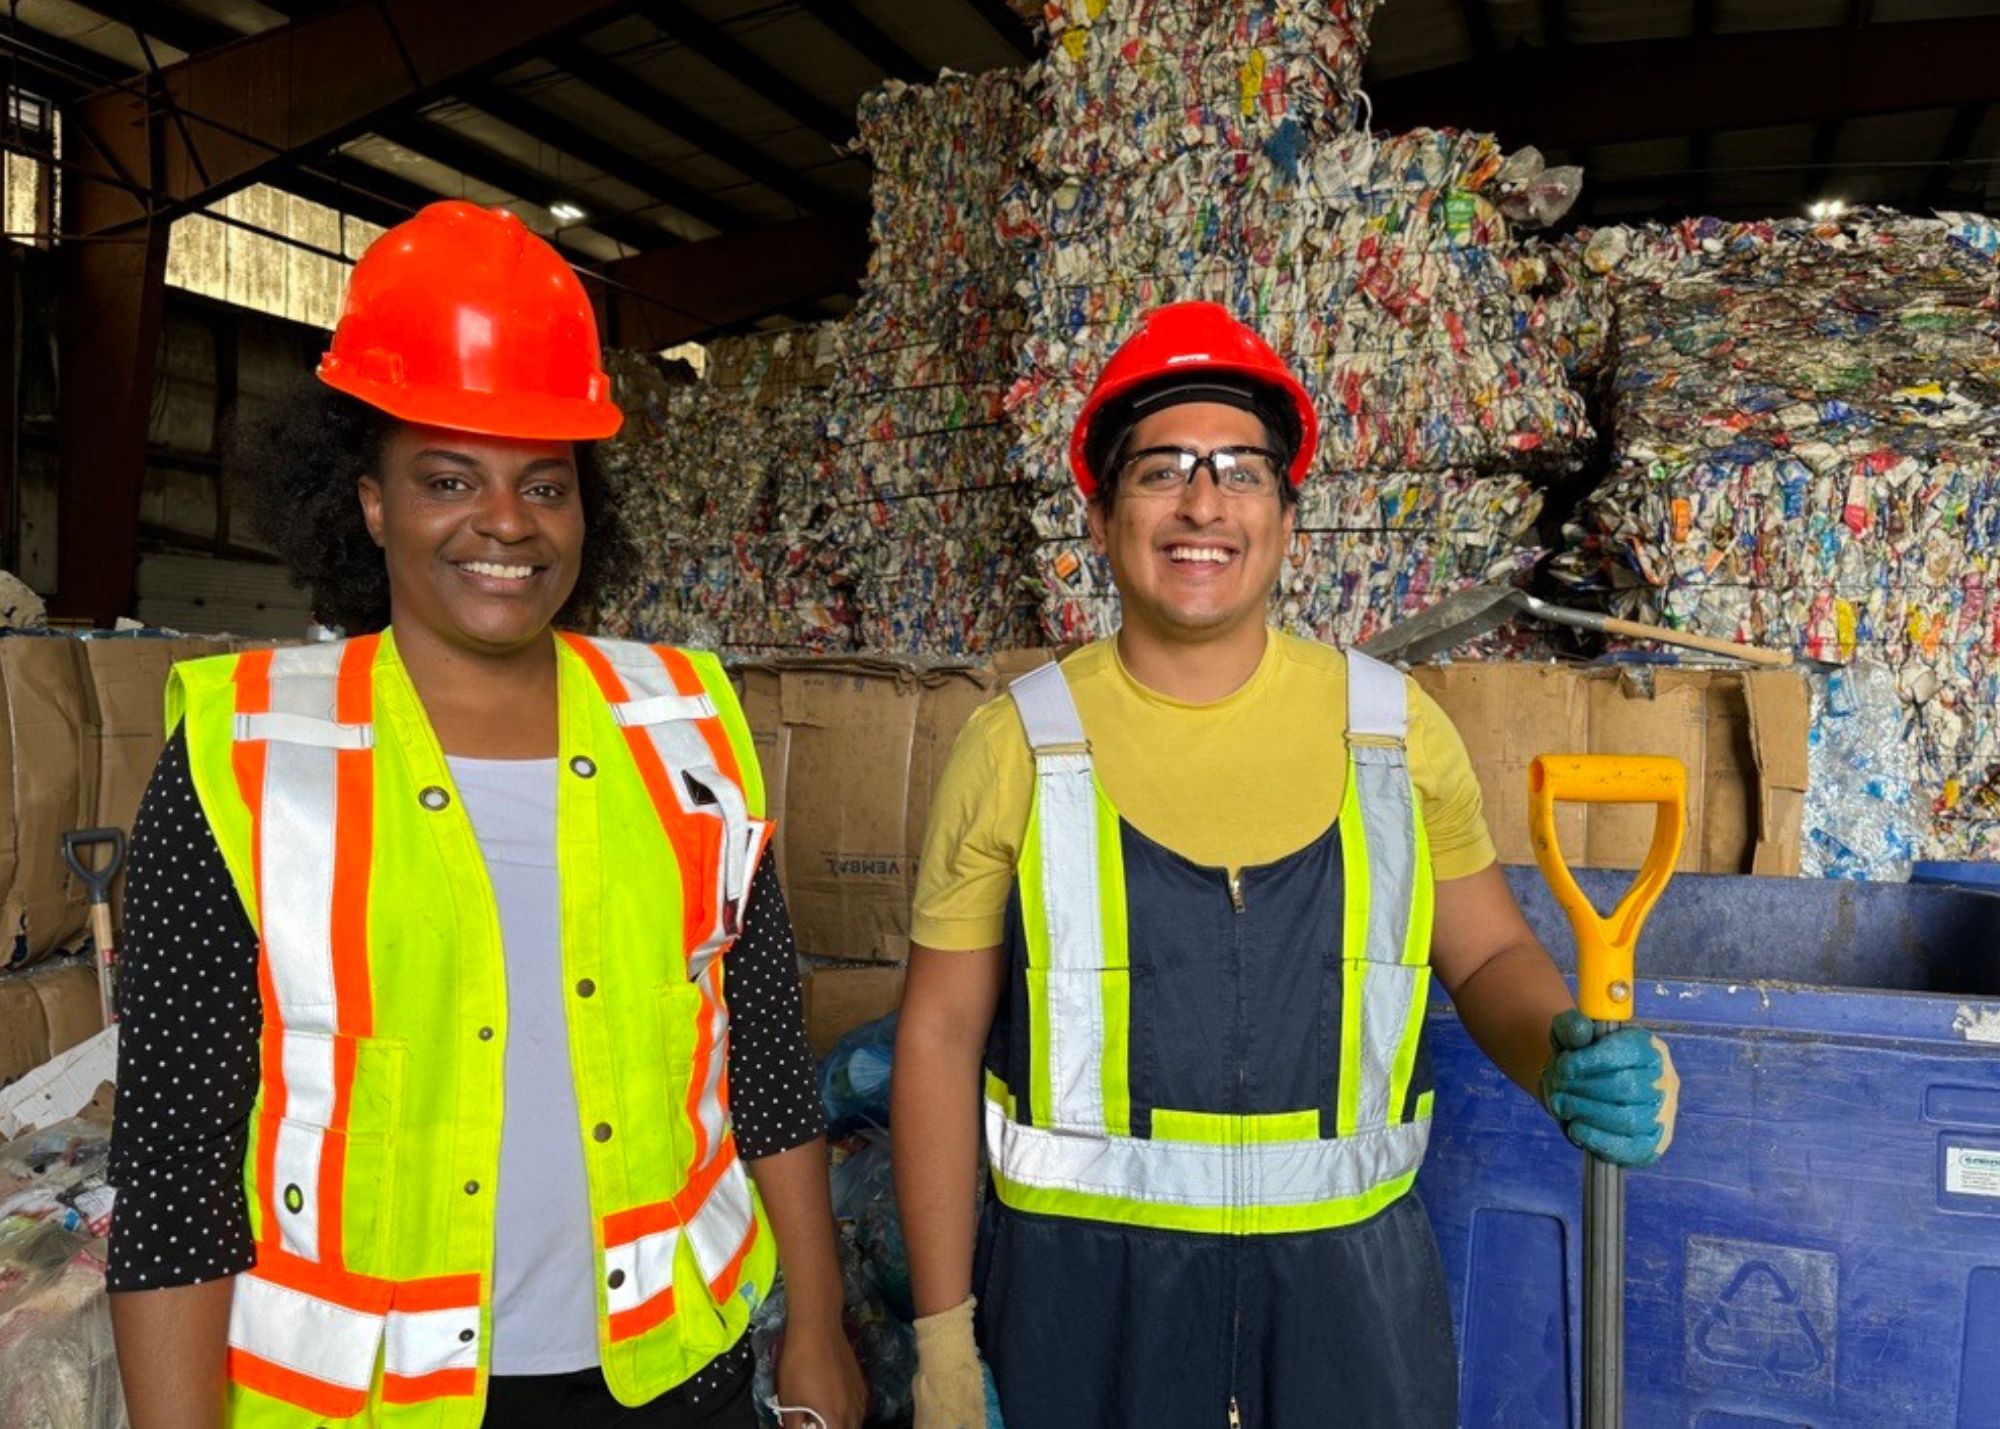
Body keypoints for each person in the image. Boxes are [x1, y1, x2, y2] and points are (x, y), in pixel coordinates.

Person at [105, 200, 867, 1429]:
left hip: (677, 1373)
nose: (504, 523)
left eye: (543, 484)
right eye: (447, 478)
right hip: (370, 1404)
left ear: (584, 506)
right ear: (367, 501)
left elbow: (764, 1060)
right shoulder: (247, 753)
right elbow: (176, 1171)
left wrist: (817, 1329)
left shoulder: (685, 725)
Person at [891, 301, 1680, 1429]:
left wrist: (1560, 1057)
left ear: (1285, 512)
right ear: (1102, 510)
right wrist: (941, 1341)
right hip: (1081, 1318)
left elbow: (1491, 951)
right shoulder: (1017, 741)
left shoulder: (1392, 731)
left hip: (1348, 1322)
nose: (1202, 503)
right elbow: (933, 1036)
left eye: (1239, 471)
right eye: (1161, 469)